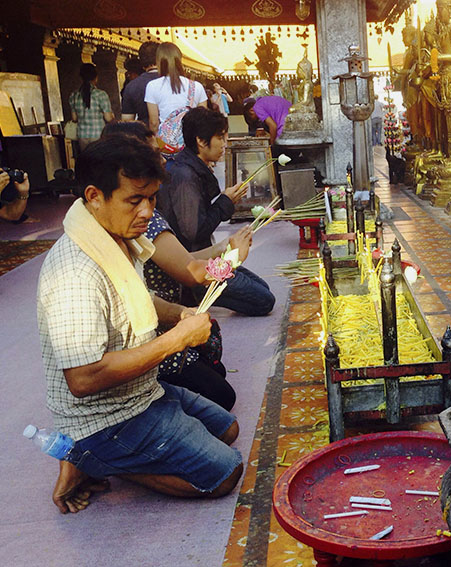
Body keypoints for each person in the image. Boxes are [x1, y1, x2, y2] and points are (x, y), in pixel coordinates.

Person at [36, 135, 243, 514]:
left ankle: (116, 452)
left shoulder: (114, 237)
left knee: (228, 430)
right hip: (107, 415)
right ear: (95, 195)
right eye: (135, 200)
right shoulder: (76, 271)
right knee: (224, 473)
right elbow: (82, 379)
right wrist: (178, 339)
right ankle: (90, 457)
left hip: (143, 391)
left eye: (151, 199)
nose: (147, 212)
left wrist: (179, 315)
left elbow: (139, 300)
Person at [100, 121, 252, 409]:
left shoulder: (144, 206)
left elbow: (186, 260)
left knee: (217, 375)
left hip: (168, 311)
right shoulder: (141, 218)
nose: (162, 160)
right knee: (222, 398)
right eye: (152, 153)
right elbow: (192, 272)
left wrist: (224, 248)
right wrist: (233, 259)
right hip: (149, 338)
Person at [157, 107, 275, 317]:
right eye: (220, 137)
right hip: (194, 267)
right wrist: (224, 202)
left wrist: (225, 202)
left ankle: (215, 291)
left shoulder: (193, 168)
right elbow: (193, 233)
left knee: (263, 289)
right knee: (264, 301)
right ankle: (199, 293)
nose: (224, 144)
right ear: (201, 141)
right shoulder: (185, 177)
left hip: (207, 258)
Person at [144, 42, 208, 153]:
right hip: (191, 148)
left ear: (159, 61)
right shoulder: (196, 87)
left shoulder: (152, 86)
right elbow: (204, 122)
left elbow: (154, 123)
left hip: (166, 147)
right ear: (180, 60)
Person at [69, 63, 113, 151]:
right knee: (99, 162)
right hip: (98, 134)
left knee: (88, 162)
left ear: (81, 77)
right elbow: (108, 118)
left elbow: (74, 118)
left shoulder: (74, 95)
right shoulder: (101, 94)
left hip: (82, 135)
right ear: (96, 78)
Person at [121, 41, 160, 123]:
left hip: (144, 133)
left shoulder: (131, 86)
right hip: (172, 133)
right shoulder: (174, 82)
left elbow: (127, 120)